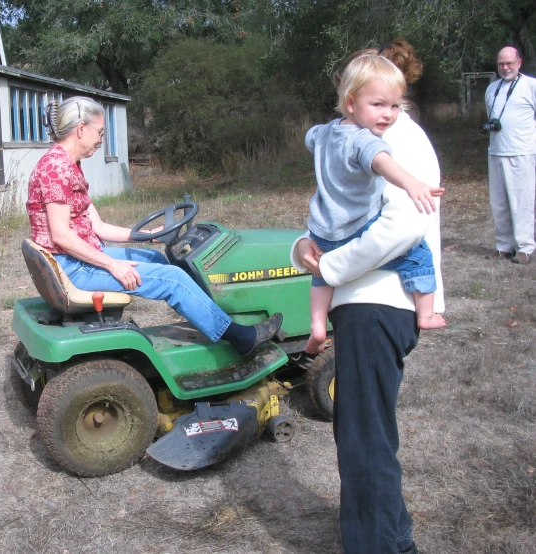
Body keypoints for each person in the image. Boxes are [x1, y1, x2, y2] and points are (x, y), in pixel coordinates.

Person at [291, 37, 443, 554]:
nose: (386, 109)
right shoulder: (349, 133)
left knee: (364, 440)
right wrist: (306, 245)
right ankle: (387, 537)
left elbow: (400, 227)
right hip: (365, 298)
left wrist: (328, 265)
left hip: (378, 302)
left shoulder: (397, 137)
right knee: (365, 434)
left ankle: (378, 546)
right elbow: (334, 212)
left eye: (390, 100)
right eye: (376, 99)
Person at [26, 96, 282, 356]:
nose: (101, 139)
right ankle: (240, 338)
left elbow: (98, 227)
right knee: (174, 279)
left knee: (153, 257)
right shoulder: (56, 169)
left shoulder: (69, 164)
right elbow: (61, 235)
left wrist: (148, 235)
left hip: (78, 257)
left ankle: (211, 318)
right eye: (100, 132)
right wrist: (113, 265)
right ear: (81, 129)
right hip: (73, 267)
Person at [303, 54, 445, 354]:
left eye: (395, 106)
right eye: (378, 105)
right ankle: (427, 313)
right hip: (356, 230)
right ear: (352, 102)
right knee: (419, 255)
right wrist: (412, 183)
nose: (389, 115)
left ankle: (317, 327)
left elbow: (310, 138)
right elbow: (382, 162)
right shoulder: (364, 139)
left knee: (319, 278)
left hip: (324, 231)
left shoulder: (325, 132)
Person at [483, 46, 536, 265]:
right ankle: (503, 246)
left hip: (522, 151)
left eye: (509, 63)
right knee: (499, 202)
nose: (505, 68)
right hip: (496, 151)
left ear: (519, 63)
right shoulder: (492, 89)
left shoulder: (531, 85)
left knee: (521, 201)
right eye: (501, 64)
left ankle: (525, 247)